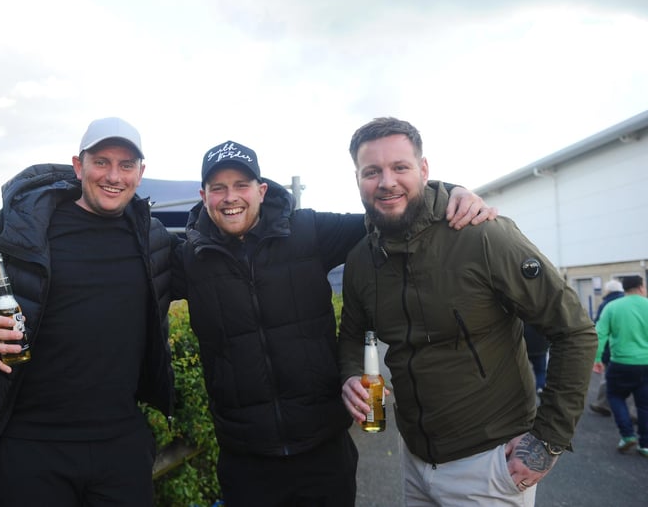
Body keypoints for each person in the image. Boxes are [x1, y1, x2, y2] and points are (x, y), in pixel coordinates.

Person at [172, 140, 496, 507]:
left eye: (241, 185)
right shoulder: (189, 258)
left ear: (261, 190)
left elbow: (388, 210)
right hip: (245, 459)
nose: (231, 197)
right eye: (219, 188)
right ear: (204, 195)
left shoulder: (307, 231)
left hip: (324, 452)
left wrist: (451, 192)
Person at [337, 117, 597, 506]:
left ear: (424, 170)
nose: (386, 181)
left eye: (400, 167)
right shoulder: (362, 259)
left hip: (490, 465)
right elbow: (352, 335)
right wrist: (350, 375)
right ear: (357, 178)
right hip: (413, 460)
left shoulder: (483, 234)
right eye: (371, 171)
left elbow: (574, 331)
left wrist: (548, 440)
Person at [0, 117, 175, 505]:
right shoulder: (26, 229)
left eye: (126, 165)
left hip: (121, 444)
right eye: (101, 161)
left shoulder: (155, 240)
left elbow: (219, 270)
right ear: (78, 165)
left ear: (141, 173)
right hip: (28, 445)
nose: (113, 175)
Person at [592, 275, 648, 457]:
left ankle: (627, 435)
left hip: (620, 363)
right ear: (641, 287)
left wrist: (598, 358)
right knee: (644, 405)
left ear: (625, 289)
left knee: (615, 396)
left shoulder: (612, 307)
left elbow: (599, 334)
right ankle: (645, 444)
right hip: (646, 363)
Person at [589, 279, 626, 416]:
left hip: (611, 349)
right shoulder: (632, 302)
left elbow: (600, 331)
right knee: (638, 381)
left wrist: (598, 355)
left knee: (608, 377)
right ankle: (634, 411)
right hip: (637, 352)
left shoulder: (605, 305)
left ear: (608, 291)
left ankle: (602, 404)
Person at [524, 323, 549, 393]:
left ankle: (525, 391)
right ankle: (539, 388)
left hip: (526, 347)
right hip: (541, 347)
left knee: (523, 371)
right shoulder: (543, 317)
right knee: (540, 371)